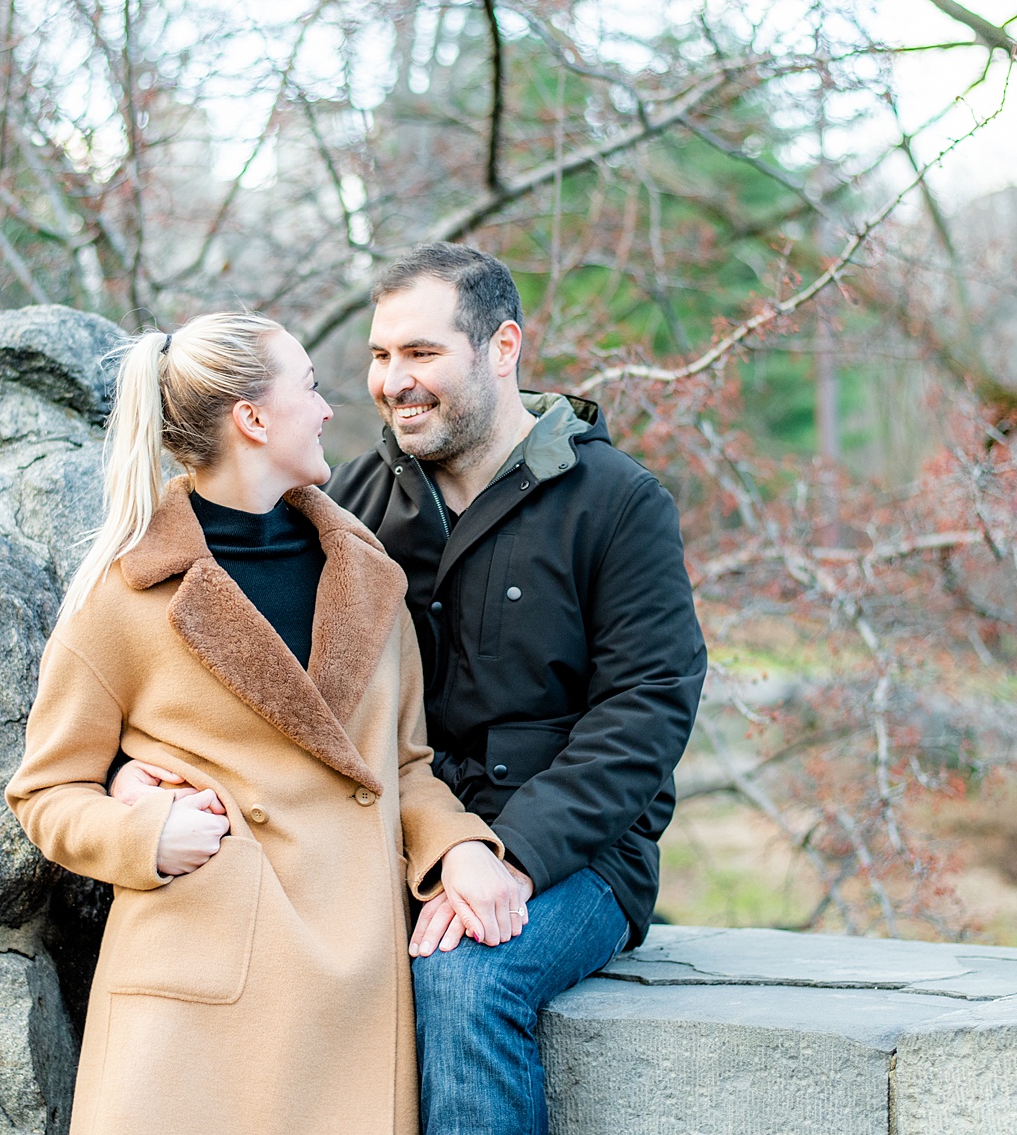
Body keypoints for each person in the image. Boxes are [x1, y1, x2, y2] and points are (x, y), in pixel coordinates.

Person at [6, 311, 529, 1135]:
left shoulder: (368, 577)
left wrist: (458, 844)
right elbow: (46, 790)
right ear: (253, 418)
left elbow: (402, 767)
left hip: (350, 982)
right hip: (194, 1004)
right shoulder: (127, 591)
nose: (328, 409)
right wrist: (143, 835)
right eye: (310, 388)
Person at [325, 243, 707, 1135]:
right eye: (381, 357)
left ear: (502, 347)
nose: (394, 382)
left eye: (422, 354)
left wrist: (511, 854)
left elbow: (647, 709)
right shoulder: (353, 503)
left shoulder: (618, 501)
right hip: (404, 835)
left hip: (574, 856)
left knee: (462, 978)